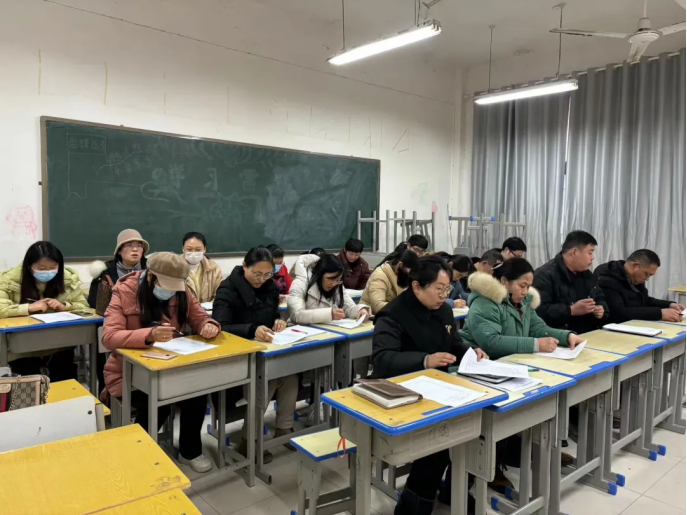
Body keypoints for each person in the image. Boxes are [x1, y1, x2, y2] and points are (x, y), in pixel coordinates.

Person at [371, 255, 488, 514]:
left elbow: (453, 342)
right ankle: (413, 505)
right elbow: (383, 359)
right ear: (416, 286)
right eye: (439, 289)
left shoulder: (442, 309)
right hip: (401, 391)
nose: (444, 295)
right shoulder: (392, 315)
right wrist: (425, 360)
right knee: (440, 438)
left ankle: (454, 490)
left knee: (476, 428)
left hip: (438, 387)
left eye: (448, 289)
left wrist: (471, 351)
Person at [102, 252, 220, 473]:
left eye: (175, 287)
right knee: (160, 398)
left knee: (197, 390)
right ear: (150, 277)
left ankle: (190, 451)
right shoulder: (124, 291)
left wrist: (208, 325)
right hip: (127, 373)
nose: (170, 292)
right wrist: (149, 335)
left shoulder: (183, 291)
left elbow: (200, 316)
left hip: (172, 366)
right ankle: (139, 450)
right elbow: (109, 337)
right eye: (166, 286)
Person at [212, 247, 298, 463]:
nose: (262, 279)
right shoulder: (227, 290)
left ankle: (284, 428)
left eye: (267, 274)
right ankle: (249, 440)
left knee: (290, 375)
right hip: (237, 358)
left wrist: (278, 322)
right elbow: (221, 327)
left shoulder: (269, 287)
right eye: (257, 274)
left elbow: (271, 316)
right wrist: (252, 329)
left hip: (265, 351)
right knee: (267, 380)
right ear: (245, 267)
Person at [460, 258, 584, 359]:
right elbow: (491, 343)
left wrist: (566, 337)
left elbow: (537, 328)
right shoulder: (484, 302)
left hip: (511, 360)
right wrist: (535, 344)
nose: (525, 292)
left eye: (528, 287)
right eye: (522, 286)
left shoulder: (524, 302)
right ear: (505, 282)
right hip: (481, 363)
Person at [0, 241, 89, 381]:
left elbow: (84, 307)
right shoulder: (9, 280)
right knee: (30, 386)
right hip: (23, 348)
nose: (48, 272)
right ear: (29, 266)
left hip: (60, 345)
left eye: (53, 267)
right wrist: (28, 308)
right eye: (41, 268)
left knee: (65, 380)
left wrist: (64, 306)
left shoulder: (68, 279)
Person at [88, 229, 149, 393]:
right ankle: (107, 395)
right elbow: (93, 302)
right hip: (113, 325)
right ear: (119, 250)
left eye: (139, 246)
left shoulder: (151, 270)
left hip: (143, 326)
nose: (135, 249)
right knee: (107, 364)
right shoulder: (104, 272)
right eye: (129, 245)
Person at [533, 231, 609, 334]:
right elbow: (538, 312)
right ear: (574, 252)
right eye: (590, 253)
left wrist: (601, 310)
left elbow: (600, 298)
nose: (592, 257)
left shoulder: (587, 275)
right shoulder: (544, 275)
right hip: (560, 337)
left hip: (589, 334)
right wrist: (571, 310)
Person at [596, 249, 684, 323]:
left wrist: (669, 305)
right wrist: (660, 313)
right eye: (646, 274)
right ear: (634, 266)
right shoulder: (607, 279)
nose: (647, 279)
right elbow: (619, 313)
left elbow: (645, 300)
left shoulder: (634, 277)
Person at [288, 253, 369, 324]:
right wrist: (329, 314)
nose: (334, 284)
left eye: (338, 279)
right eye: (330, 279)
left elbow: (349, 307)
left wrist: (360, 310)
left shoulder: (337, 283)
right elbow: (296, 315)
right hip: (303, 331)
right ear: (319, 274)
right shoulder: (300, 283)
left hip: (329, 330)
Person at [361, 249, 417, 315]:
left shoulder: (400, 275)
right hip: (370, 316)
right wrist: (405, 307)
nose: (411, 275)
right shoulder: (379, 275)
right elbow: (377, 306)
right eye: (410, 272)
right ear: (400, 265)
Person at [181, 232, 222, 304]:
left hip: (209, 310)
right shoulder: (174, 269)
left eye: (198, 249)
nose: (193, 253)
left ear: (204, 249)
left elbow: (220, 294)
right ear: (183, 249)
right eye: (189, 249)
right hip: (185, 310)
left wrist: (210, 305)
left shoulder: (214, 269)